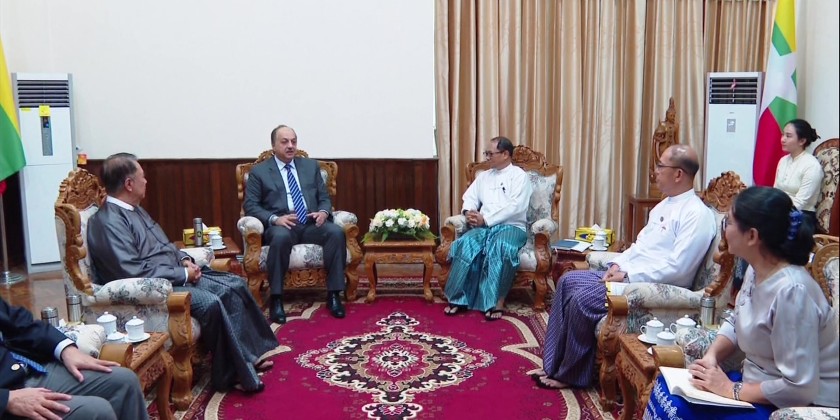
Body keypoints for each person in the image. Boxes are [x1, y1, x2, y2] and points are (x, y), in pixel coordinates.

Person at [87, 153, 278, 394]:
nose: (146, 181)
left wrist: (184, 259)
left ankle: (247, 357)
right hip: (156, 289)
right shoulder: (107, 222)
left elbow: (164, 245)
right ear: (129, 184)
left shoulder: (134, 210)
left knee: (235, 284)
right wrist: (183, 274)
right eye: (142, 177)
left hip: (171, 274)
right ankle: (230, 374)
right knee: (211, 303)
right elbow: (131, 271)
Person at [530, 144, 716, 389]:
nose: (655, 171)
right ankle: (553, 365)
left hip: (649, 286)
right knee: (567, 281)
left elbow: (679, 268)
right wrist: (617, 264)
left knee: (582, 299)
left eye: (661, 166)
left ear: (679, 174)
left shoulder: (697, 214)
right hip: (628, 276)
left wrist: (628, 276)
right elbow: (639, 247)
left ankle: (570, 375)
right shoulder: (663, 206)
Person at [645, 186, 839, 418]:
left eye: (728, 222)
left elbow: (799, 388)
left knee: (680, 409)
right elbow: (737, 321)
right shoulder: (755, 269)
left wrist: (730, 389)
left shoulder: (793, 292)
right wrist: (711, 357)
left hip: (794, 405)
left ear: (752, 236)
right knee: (666, 390)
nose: (724, 229)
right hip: (754, 386)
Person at [243, 124, 347, 324]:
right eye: (285, 142)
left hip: (310, 222)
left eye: (293, 141)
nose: (290, 146)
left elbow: (324, 198)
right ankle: (277, 298)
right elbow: (251, 206)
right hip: (282, 224)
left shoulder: (310, 167)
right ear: (274, 145)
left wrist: (323, 213)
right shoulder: (259, 172)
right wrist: (275, 219)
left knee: (336, 232)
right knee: (280, 237)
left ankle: (334, 295)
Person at [1, 297, 147, 419]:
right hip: (7, 394)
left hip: (20, 367)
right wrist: (7, 399)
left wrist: (65, 348)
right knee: (96, 411)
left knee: (125, 380)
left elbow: (17, 321)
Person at [442, 136, 532, 321]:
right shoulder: (484, 176)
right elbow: (470, 197)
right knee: (465, 243)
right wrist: (469, 212)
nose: (487, 157)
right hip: (484, 227)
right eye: (486, 153)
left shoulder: (519, 176)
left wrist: (487, 219)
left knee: (501, 247)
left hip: (511, 227)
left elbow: (516, 206)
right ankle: (458, 298)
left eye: (490, 154)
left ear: (505, 154)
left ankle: (496, 301)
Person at [774, 118, 824, 229]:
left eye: (788, 136)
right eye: (783, 135)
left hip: (801, 216)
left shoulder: (812, 166)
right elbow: (776, 191)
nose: (782, 139)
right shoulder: (783, 160)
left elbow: (800, 203)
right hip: (780, 211)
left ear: (802, 141)